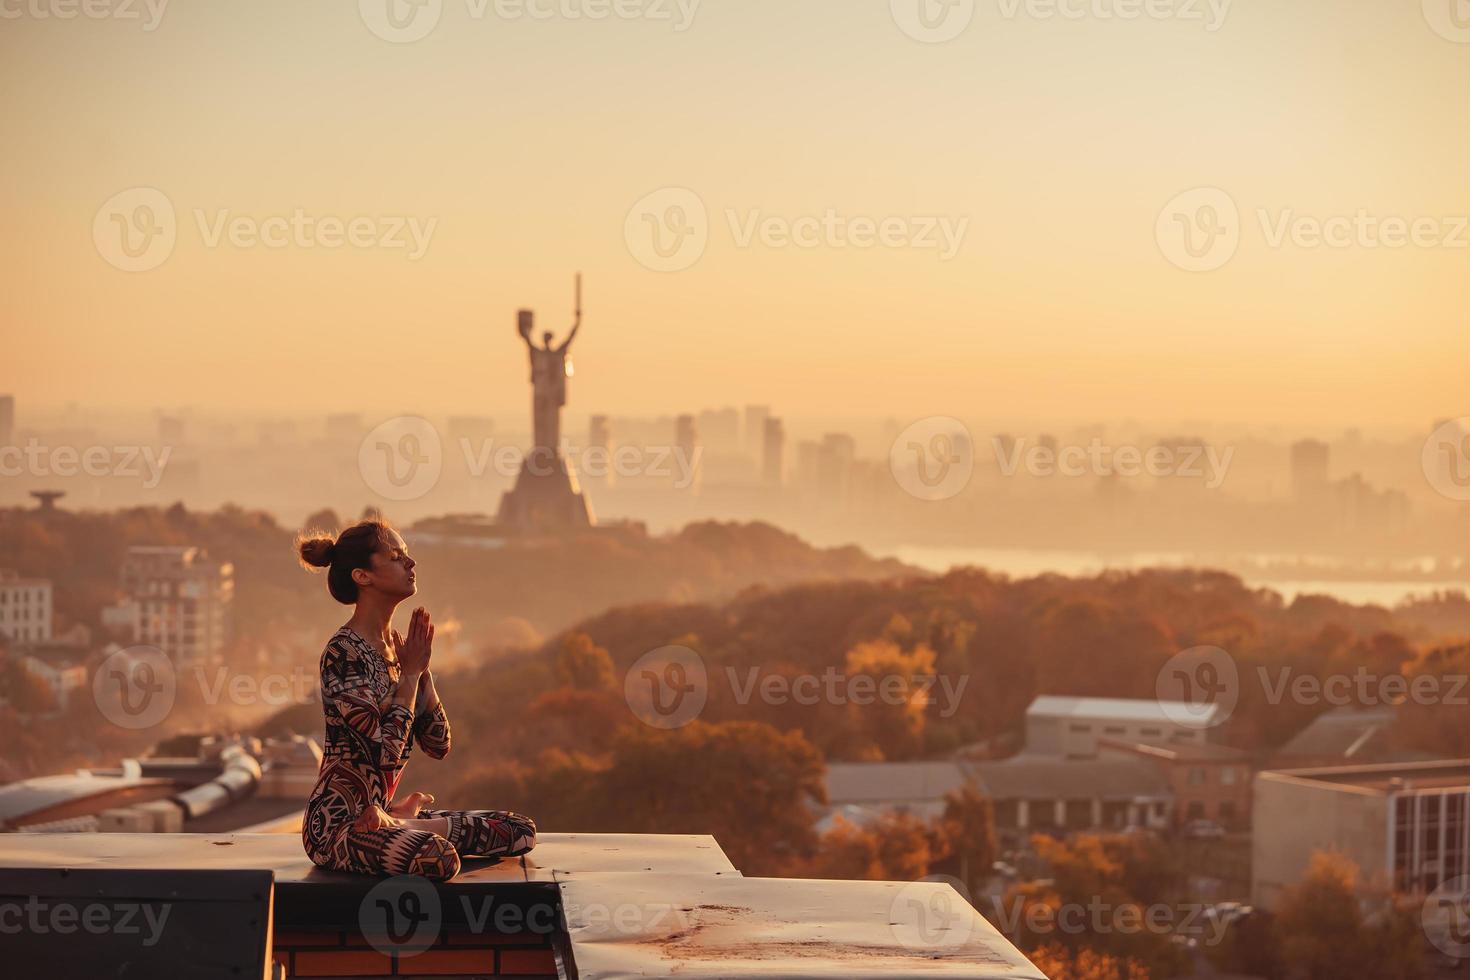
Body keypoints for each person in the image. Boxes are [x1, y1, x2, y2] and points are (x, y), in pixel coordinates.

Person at [297, 519, 536, 880]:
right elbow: (384, 753)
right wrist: (409, 676)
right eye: (396, 557)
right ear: (363, 576)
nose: (411, 564)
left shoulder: (399, 650)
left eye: (407, 554)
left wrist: (421, 670)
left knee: (518, 831)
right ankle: (397, 823)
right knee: (437, 858)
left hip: (379, 816)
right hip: (338, 827)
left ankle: (395, 820)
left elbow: (439, 743)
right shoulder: (343, 652)